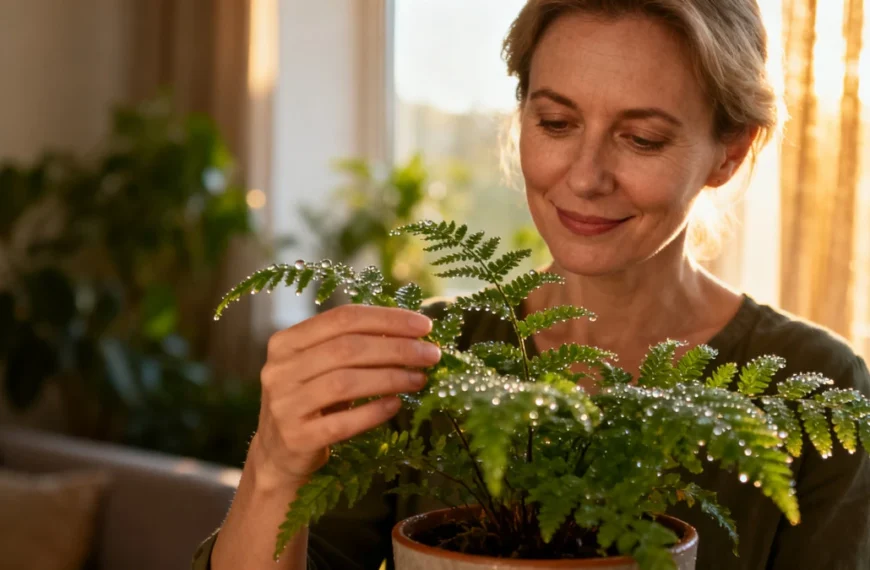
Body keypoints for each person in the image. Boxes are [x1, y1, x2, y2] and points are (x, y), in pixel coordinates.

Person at [194, 1, 870, 569]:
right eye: (556, 122)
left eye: (640, 138)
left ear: (730, 151)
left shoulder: (819, 390)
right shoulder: (428, 359)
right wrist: (274, 469)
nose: (584, 176)